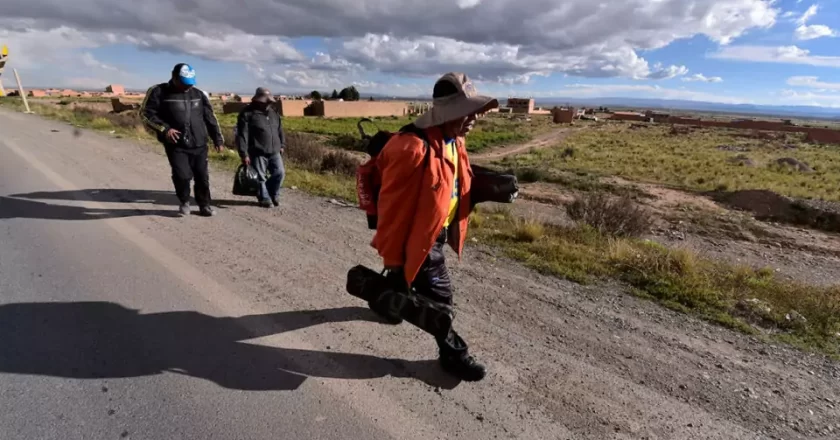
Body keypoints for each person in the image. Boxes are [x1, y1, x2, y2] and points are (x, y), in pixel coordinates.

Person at [370, 72, 499, 382]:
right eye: (466, 112)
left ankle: (388, 303)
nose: (473, 119)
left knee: (406, 284)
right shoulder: (411, 148)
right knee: (442, 302)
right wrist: (393, 258)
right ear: (446, 113)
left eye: (475, 112)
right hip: (420, 240)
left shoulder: (455, 140)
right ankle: (453, 355)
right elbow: (392, 212)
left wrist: (490, 189)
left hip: (436, 233)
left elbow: (455, 180)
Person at [140, 63, 225, 217]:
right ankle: (184, 200)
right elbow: (146, 114)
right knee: (182, 175)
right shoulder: (159, 92)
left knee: (202, 177)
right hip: (176, 144)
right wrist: (165, 129)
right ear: (174, 77)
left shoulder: (198, 94)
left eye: (190, 84)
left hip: (199, 143)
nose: (187, 88)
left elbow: (210, 117)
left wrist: (217, 139)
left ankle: (204, 205)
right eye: (184, 84)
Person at [235, 87, 287, 207]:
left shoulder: (273, 113)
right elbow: (242, 135)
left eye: (269, 102)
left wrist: (282, 144)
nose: (267, 104)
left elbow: (280, 130)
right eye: (265, 101)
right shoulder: (247, 114)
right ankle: (264, 198)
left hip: (275, 151)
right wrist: (244, 153)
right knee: (261, 176)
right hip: (257, 151)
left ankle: (273, 193)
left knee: (280, 173)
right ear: (258, 100)